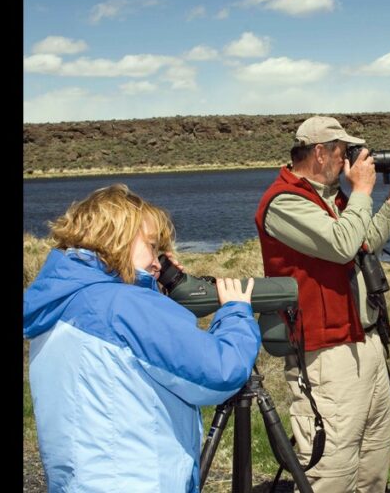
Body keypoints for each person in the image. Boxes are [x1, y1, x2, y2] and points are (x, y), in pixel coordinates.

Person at [23, 184, 262, 492]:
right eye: (151, 246)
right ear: (117, 236)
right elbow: (219, 372)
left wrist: (150, 290)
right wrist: (235, 314)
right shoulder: (124, 307)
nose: (156, 261)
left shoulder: (60, 300)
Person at [254, 116, 390, 492]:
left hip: (365, 341)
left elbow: (363, 244)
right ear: (320, 153)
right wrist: (362, 191)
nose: (351, 159)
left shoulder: (333, 198)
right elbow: (342, 243)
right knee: (333, 463)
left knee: (372, 458)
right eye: (343, 151)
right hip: (327, 353)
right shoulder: (284, 202)